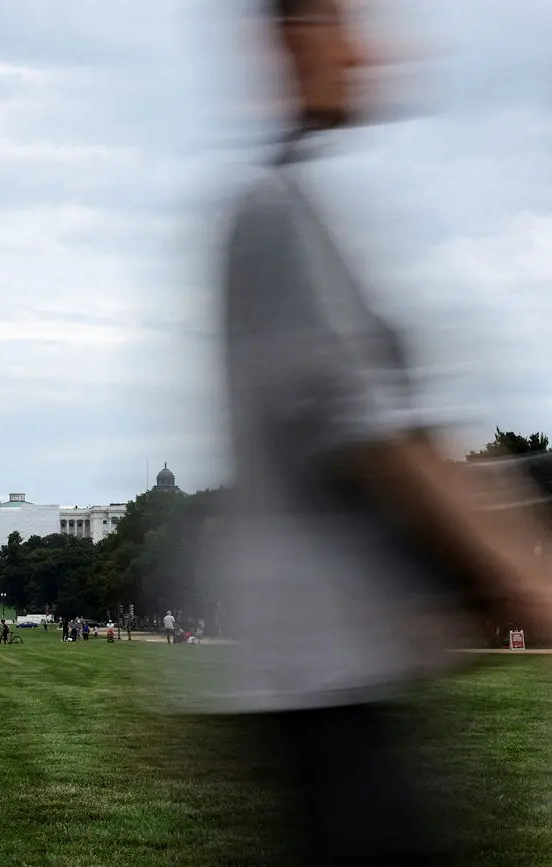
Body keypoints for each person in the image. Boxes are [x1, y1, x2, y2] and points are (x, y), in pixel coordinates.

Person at [210, 2, 552, 862]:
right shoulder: (283, 216)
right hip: (323, 675)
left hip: (337, 667)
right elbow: (385, 438)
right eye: (342, 22)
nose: (368, 51)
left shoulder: (294, 207)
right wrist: (520, 569)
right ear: (288, 40)